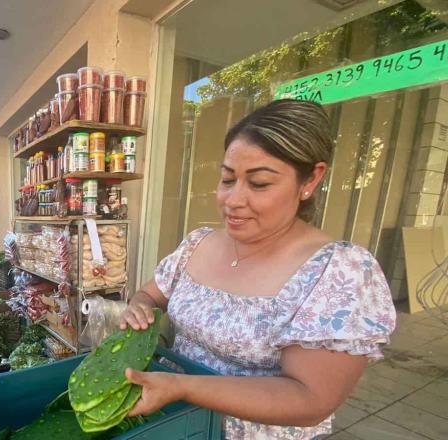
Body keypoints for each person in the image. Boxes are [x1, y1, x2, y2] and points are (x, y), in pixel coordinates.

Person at [119, 99, 396, 439]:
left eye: (259, 184)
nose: (233, 200)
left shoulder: (340, 272)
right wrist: (139, 307)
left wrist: (182, 386)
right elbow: (150, 293)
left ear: (309, 180)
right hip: (176, 424)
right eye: (227, 179)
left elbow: (310, 398)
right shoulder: (197, 244)